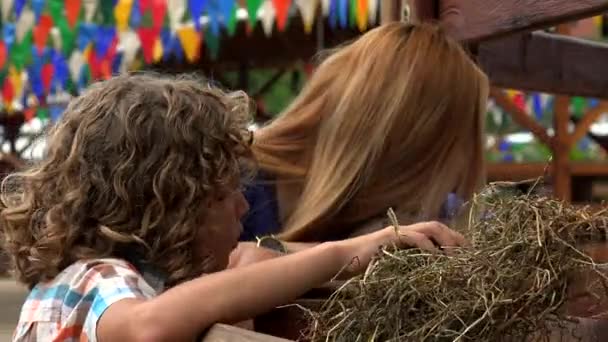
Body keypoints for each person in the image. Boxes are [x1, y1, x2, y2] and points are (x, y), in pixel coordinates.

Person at [1, 74, 467, 341]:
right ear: (170, 204)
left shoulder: (94, 281)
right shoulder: (93, 279)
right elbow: (148, 328)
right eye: (225, 193)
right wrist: (339, 255)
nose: (245, 205)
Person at [242, 22, 489, 246]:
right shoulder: (229, 185)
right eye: (458, 146)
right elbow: (220, 278)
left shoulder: (436, 210)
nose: (462, 163)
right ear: (412, 148)